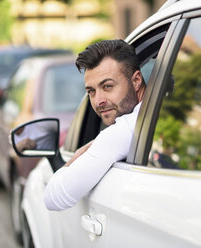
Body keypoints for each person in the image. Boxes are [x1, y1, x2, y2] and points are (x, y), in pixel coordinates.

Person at [44, 39, 146, 211]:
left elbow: (53, 199)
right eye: (91, 91)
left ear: (136, 80)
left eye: (107, 86)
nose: (98, 101)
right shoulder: (159, 111)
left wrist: (76, 157)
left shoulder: (123, 130)